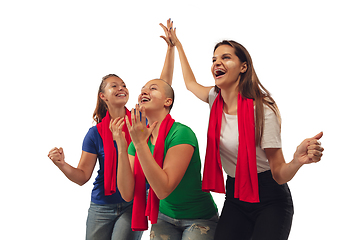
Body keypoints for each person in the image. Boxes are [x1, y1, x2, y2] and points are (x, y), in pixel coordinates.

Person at [167, 25, 324, 240]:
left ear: (243, 67)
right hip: (236, 195)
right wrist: (178, 46)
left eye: (226, 58)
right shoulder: (215, 98)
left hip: (269, 197)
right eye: (214, 60)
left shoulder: (262, 110)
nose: (217, 63)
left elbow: (278, 173)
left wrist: (297, 160)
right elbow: (190, 84)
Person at [47, 19, 175, 240]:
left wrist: (170, 49)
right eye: (114, 85)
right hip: (101, 206)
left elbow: (162, 87)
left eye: (123, 84)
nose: (121, 88)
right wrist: (61, 164)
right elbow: (82, 176)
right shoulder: (94, 133)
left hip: (134, 201)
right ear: (103, 96)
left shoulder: (139, 119)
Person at [109, 75, 218, 239]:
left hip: (198, 217)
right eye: (142, 90)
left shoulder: (181, 133)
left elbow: (163, 189)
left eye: (152, 88)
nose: (143, 92)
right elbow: (126, 193)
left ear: (168, 101)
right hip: (163, 216)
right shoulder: (138, 140)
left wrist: (140, 145)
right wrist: (122, 149)